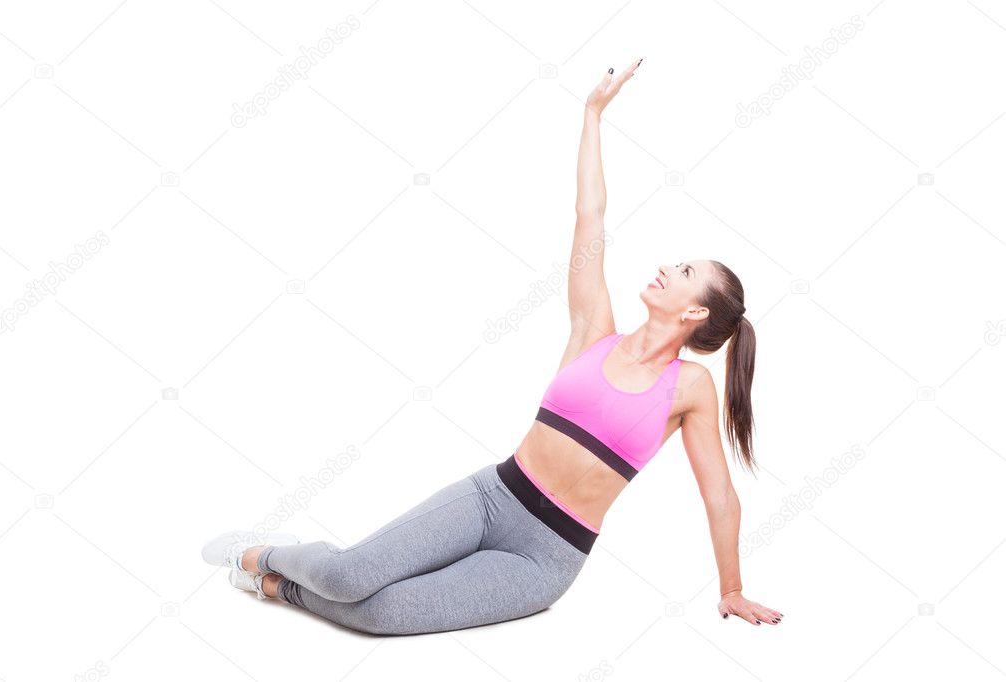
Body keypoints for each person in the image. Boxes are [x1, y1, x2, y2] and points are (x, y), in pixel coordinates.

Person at [202, 57, 784, 634]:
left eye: (683, 271)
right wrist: (592, 114)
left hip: (546, 556)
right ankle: (264, 556)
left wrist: (731, 589)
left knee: (383, 614)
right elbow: (590, 215)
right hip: (491, 498)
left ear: (695, 311)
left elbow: (720, 496)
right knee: (351, 577)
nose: (666, 267)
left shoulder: (689, 387)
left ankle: (275, 588)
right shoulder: (593, 328)